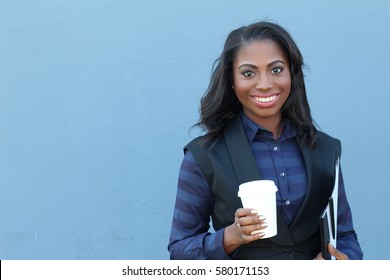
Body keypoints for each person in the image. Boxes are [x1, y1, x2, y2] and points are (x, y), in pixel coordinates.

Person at [168, 21, 363, 260]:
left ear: (292, 73)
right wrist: (231, 236)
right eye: (248, 73)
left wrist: (337, 260)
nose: (264, 84)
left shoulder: (324, 148)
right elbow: (180, 250)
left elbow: (345, 236)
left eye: (276, 70)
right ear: (231, 80)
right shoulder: (204, 156)